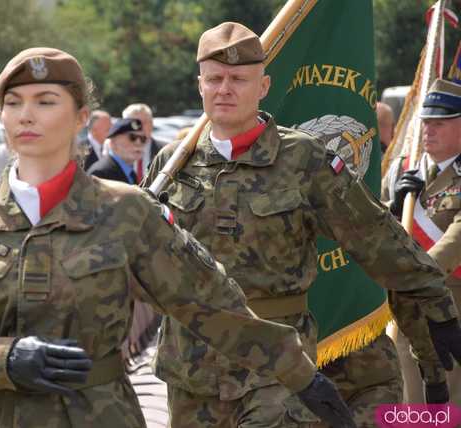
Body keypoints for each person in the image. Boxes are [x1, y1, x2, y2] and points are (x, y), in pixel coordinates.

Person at [0, 47, 355, 428]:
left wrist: (300, 375)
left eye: (45, 100)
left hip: (101, 414)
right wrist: (1, 358)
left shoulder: (125, 211)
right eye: (14, 102)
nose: (26, 115)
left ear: (81, 117)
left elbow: (209, 304)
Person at [144, 22, 461, 427]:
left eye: (239, 79)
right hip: (190, 365)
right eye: (215, 79)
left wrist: (433, 303)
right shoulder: (172, 165)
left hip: (278, 365)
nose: (225, 89)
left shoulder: (303, 158)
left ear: (263, 86)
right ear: (200, 85)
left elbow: (376, 238)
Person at [382, 78, 461, 406]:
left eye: (439, 123)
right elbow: (370, 229)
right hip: (402, 310)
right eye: (426, 122)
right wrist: (393, 206)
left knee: (447, 408)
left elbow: (455, 242)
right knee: (407, 402)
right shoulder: (404, 168)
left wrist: (412, 278)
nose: (429, 129)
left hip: (451, 308)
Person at [87, 118, 146, 184]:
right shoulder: (100, 173)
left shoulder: (131, 173)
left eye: (143, 139)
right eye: (132, 137)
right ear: (113, 143)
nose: (138, 143)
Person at [122, 103, 168, 182]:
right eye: (135, 123)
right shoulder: (116, 150)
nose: (141, 127)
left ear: (151, 124)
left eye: (145, 122)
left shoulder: (165, 150)